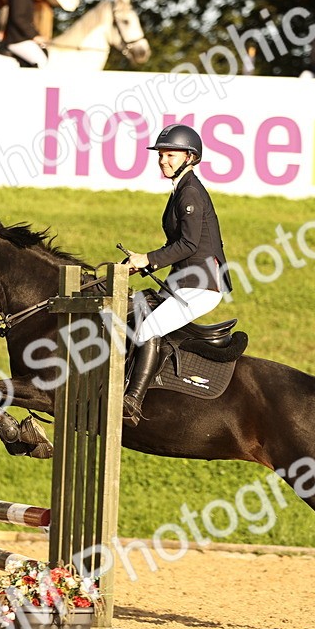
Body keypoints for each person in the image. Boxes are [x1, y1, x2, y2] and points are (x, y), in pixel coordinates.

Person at [121, 124, 233, 425]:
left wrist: (148, 258)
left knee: (147, 330)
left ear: (190, 157)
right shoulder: (182, 189)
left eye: (170, 155)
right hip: (184, 281)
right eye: (161, 155)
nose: (163, 161)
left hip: (201, 286)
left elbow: (189, 245)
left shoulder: (190, 192)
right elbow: (178, 245)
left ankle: (132, 402)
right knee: (135, 312)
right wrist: (144, 264)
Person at [3, 0, 48, 67]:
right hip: (17, 39)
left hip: (23, 38)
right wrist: (34, 35)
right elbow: (18, 17)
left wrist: (36, 35)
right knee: (41, 61)